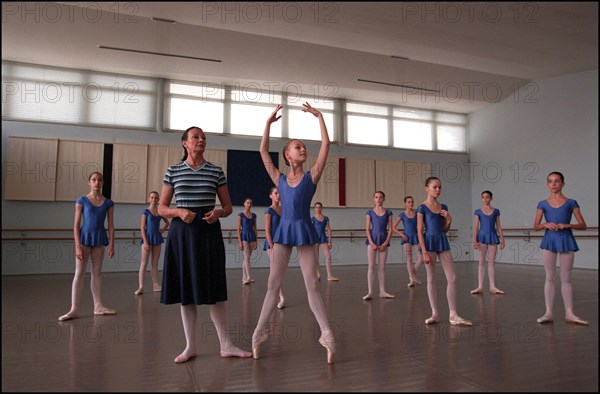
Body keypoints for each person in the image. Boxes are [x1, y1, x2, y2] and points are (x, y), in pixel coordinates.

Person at [158, 126, 252, 363]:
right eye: (195, 137)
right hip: (182, 233)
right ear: (185, 143)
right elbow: (161, 207)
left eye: (203, 137)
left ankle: (226, 344)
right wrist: (178, 211)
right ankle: (190, 346)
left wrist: (219, 213)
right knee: (186, 292)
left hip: (208, 232)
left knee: (214, 290)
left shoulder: (216, 171)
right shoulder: (173, 171)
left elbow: (229, 207)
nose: (201, 140)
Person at [253, 103, 336, 364]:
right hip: (283, 231)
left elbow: (325, 145)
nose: (303, 149)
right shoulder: (278, 178)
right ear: (288, 155)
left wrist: (320, 117)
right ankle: (258, 332)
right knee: (272, 284)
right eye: (297, 146)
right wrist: (267, 124)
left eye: (303, 146)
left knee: (312, 284)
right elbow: (263, 150)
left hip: (304, 229)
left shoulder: (312, 176)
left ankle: (327, 334)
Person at [58, 171, 116, 321]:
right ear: (89, 182)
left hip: (99, 239)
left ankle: (98, 306)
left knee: (96, 273)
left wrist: (112, 245)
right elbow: (76, 225)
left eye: (100, 180)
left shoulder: (108, 203)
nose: (97, 182)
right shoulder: (82, 200)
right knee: (79, 273)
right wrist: (77, 246)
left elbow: (110, 225)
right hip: (84, 239)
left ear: (102, 183)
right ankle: (74, 308)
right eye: (94, 180)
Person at [534, 171, 588, 325]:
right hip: (549, 240)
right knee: (549, 277)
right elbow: (536, 226)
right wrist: (545, 224)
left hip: (566, 239)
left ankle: (569, 313)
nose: (553, 184)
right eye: (550, 181)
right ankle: (548, 313)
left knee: (566, 278)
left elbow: (583, 225)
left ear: (563, 183)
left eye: (557, 181)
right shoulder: (542, 204)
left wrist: (568, 225)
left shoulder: (571, 202)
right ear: (547, 184)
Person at [417, 176, 472, 326]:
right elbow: (419, 231)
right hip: (428, 243)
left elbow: (444, 229)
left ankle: (453, 314)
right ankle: (434, 313)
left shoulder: (443, 207)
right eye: (435, 187)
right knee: (431, 278)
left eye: (440, 187)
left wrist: (449, 219)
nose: (438, 190)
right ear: (427, 188)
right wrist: (423, 252)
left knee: (453, 278)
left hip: (442, 241)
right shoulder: (421, 208)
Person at [470, 190, 505, 295]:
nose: (485, 199)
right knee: (481, 262)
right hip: (482, 237)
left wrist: (502, 239)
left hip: (493, 236)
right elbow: (476, 226)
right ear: (481, 199)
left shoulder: (496, 211)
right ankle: (480, 286)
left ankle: (492, 286)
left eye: (487, 197)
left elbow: (498, 226)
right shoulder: (478, 211)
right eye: (483, 197)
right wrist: (474, 240)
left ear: (491, 198)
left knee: (491, 262)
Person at [135, 191, 169, 295]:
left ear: (158, 199)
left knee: (154, 263)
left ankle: (155, 284)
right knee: (144, 263)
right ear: (149, 199)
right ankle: (141, 286)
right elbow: (142, 227)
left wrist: (162, 230)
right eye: (152, 197)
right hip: (147, 238)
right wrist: (145, 241)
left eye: (156, 198)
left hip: (157, 238)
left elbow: (167, 222)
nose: (154, 199)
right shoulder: (146, 211)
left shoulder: (159, 211)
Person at [363, 191, 395, 300]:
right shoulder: (370, 212)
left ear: (383, 199)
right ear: (374, 199)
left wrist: (386, 242)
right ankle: (370, 291)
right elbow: (367, 229)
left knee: (381, 268)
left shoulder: (388, 212)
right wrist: (371, 242)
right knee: (371, 266)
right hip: (372, 240)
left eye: (380, 197)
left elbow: (390, 229)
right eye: (376, 197)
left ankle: (382, 291)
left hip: (383, 240)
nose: (378, 199)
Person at [392, 196, 423, 287]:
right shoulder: (402, 214)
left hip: (416, 237)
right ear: (405, 203)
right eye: (409, 202)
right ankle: (412, 279)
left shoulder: (417, 213)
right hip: (406, 237)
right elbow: (393, 227)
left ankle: (413, 276)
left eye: (412, 202)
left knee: (421, 258)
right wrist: (401, 234)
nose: (411, 204)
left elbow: (422, 224)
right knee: (409, 258)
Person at [263, 187, 286, 309]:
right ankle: (280, 297)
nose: (278, 195)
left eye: (279, 193)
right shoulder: (269, 210)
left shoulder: (283, 210)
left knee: (279, 271)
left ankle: (277, 295)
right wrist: (271, 244)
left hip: (282, 242)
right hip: (272, 244)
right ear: (271, 196)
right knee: (275, 271)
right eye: (276, 193)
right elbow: (267, 229)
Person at [312, 202, 339, 281]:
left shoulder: (326, 218)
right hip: (315, 239)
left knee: (328, 256)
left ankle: (329, 275)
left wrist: (330, 242)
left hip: (323, 238)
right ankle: (318, 274)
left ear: (322, 208)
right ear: (314, 208)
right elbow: (310, 230)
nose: (318, 209)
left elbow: (329, 230)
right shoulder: (312, 219)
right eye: (316, 207)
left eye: (319, 207)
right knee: (316, 258)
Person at [237, 197, 258, 285]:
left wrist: (256, 241)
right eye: (248, 203)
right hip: (244, 237)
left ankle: (244, 278)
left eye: (251, 203)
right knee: (247, 258)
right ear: (244, 204)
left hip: (252, 236)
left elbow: (255, 228)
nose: (249, 204)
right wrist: (240, 241)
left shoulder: (254, 215)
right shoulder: (240, 215)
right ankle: (248, 277)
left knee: (247, 258)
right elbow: (238, 229)